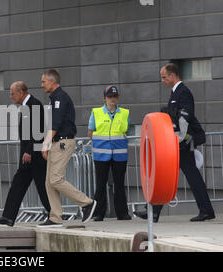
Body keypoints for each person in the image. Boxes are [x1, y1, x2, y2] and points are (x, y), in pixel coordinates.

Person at [134, 63, 215, 222]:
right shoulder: (176, 92)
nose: (162, 80)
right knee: (170, 175)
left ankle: (155, 211)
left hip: (181, 144)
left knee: (173, 175)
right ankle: (155, 211)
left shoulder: (183, 93)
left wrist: (178, 140)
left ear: (173, 75)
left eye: (164, 77)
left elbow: (184, 118)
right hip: (177, 143)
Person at [38, 69, 96, 227]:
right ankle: (55, 217)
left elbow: (55, 125)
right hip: (57, 143)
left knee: (55, 179)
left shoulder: (60, 98)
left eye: (43, 81)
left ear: (52, 81)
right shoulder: (54, 98)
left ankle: (86, 203)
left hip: (62, 143)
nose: (41, 84)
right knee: (49, 183)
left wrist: (45, 144)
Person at [0, 81, 50, 226]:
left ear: (21, 92)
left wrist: (29, 151)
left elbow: (37, 131)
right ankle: (8, 217)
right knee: (18, 184)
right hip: (28, 154)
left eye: (12, 93)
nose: (11, 97)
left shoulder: (34, 105)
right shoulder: (26, 106)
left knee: (42, 187)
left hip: (33, 155)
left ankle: (55, 215)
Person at [88, 85, 131, 221]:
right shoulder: (96, 112)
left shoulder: (124, 113)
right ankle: (99, 213)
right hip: (101, 154)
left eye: (114, 96)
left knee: (119, 184)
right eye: (109, 96)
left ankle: (122, 213)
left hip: (119, 154)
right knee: (101, 184)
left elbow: (125, 131)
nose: (112, 99)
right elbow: (91, 132)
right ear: (104, 98)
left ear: (117, 98)